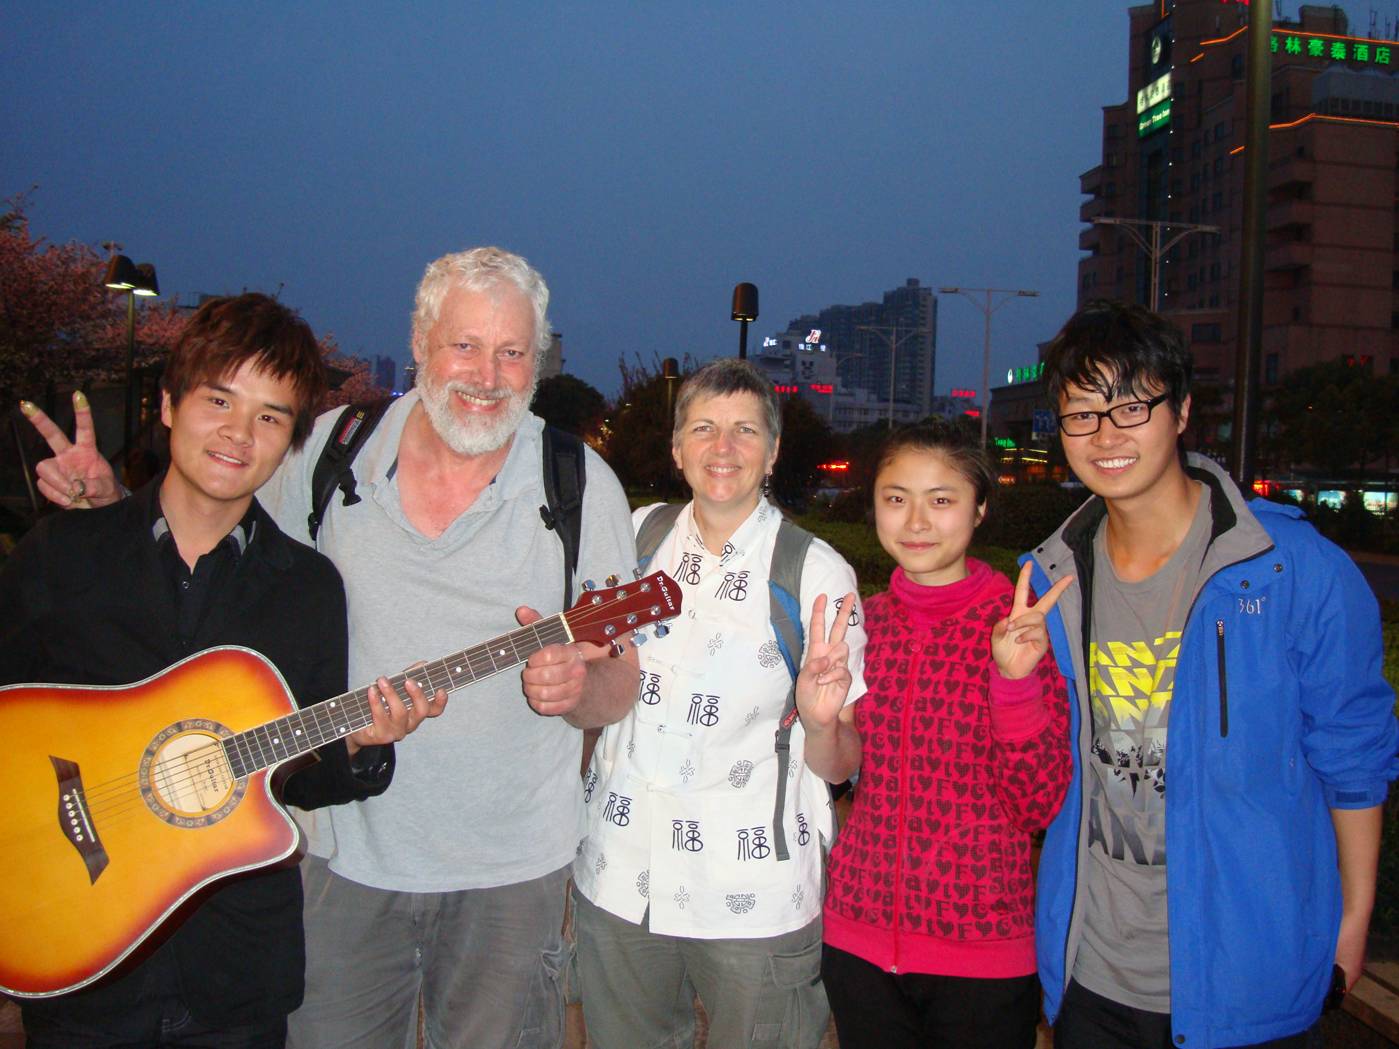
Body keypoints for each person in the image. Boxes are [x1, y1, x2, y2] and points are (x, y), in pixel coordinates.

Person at [24, 248, 641, 1049]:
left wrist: (576, 692)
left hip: (509, 870)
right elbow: (210, 537)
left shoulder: (579, 482)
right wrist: (111, 509)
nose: (487, 373)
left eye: (512, 351)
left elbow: (620, 680)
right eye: (464, 345)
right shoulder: (326, 450)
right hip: (334, 854)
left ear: (539, 359)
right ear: (419, 345)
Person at [3, 292, 442, 1049]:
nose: (240, 434)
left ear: (291, 441)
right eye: (218, 400)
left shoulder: (307, 585)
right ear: (169, 404)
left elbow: (300, 778)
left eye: (271, 416)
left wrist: (364, 744)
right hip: (87, 952)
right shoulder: (61, 555)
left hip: (233, 975)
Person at [1026, 300, 1399, 1049]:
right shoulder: (1047, 580)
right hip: (1091, 969)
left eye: (1130, 406)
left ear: (1181, 410)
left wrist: (1351, 919)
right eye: (1081, 414)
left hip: (1248, 971)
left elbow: (1352, 756)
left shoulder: (1293, 570)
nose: (1105, 436)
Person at [571, 357, 867, 1049]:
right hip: (621, 874)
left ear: (773, 450)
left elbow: (838, 764)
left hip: (753, 893)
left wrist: (823, 721)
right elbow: (595, 693)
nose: (722, 447)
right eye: (702, 427)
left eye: (744, 429)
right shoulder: (634, 539)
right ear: (677, 449)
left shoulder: (813, 569)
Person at [815, 421, 1073, 1049]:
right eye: (896, 498)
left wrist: (1014, 681)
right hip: (859, 942)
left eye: (942, 499)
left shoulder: (1020, 626)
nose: (916, 521)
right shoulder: (861, 626)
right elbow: (839, 775)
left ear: (980, 508)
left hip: (982, 956)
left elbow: (1039, 803)